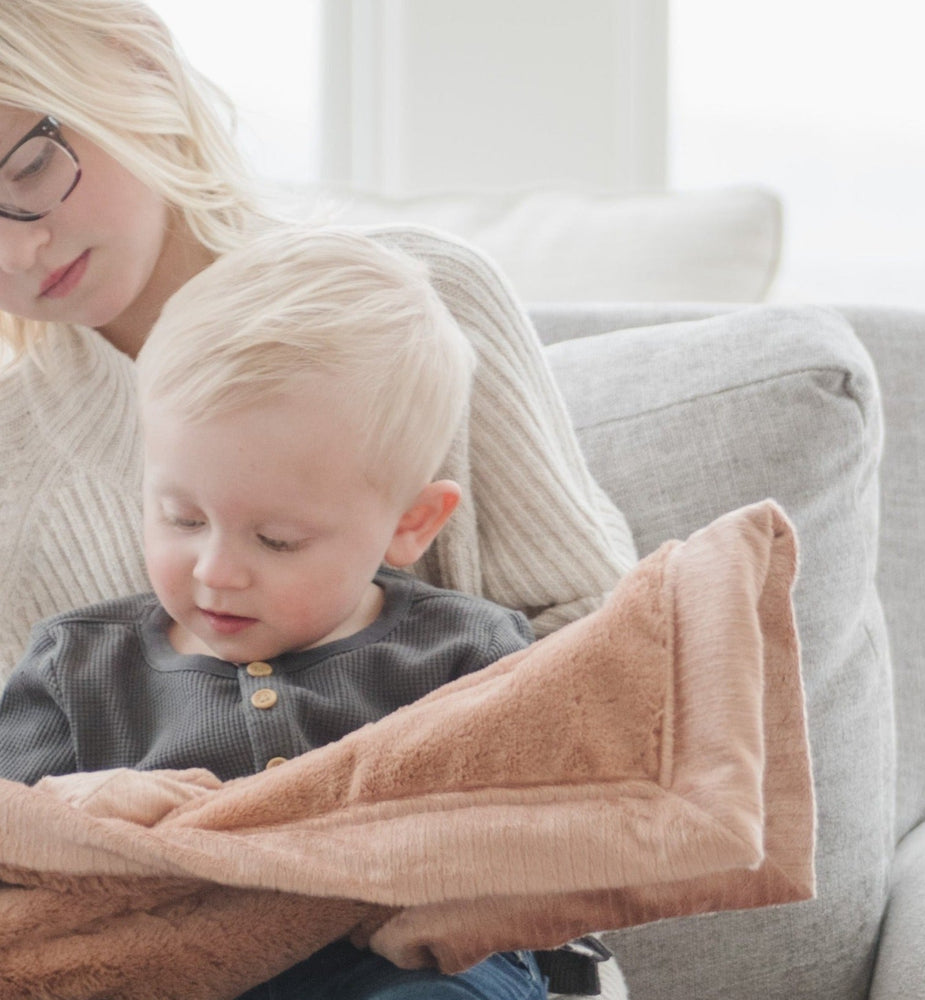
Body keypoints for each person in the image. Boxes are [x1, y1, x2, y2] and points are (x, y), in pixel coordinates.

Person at [0, 0, 636, 685]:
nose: (17, 251)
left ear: (140, 65)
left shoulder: (431, 300)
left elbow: (607, 627)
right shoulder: (14, 465)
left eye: (31, 168)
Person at [0, 225, 550, 999]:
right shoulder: (75, 665)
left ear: (410, 525)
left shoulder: (465, 652)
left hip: (397, 960)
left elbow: (549, 835)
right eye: (182, 518)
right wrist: (74, 807)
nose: (216, 571)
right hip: (168, 962)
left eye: (278, 539)